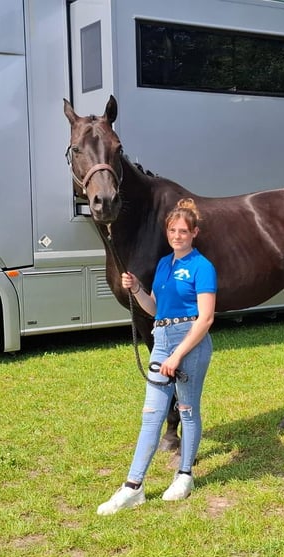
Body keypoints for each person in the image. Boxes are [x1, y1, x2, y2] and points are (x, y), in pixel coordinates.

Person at [97, 198, 217, 516]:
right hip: (161, 339)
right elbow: (154, 310)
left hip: (190, 343)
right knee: (151, 415)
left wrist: (177, 356)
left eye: (183, 231)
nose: (177, 236)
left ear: (194, 233)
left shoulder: (202, 267)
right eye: (172, 230)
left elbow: (206, 319)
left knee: (188, 411)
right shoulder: (165, 265)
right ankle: (133, 487)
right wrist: (136, 289)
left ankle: (185, 475)